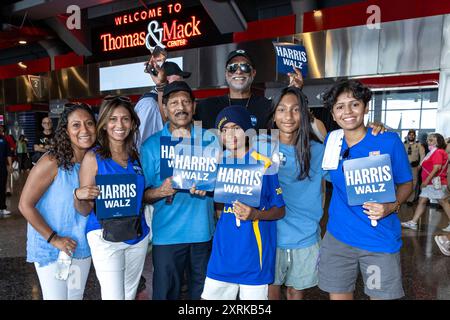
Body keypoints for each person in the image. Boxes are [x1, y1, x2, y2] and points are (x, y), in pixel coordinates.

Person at [318, 79, 413, 300]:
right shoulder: (332, 141)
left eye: (354, 104)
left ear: (365, 107)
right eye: (340, 107)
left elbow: (407, 183)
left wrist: (391, 206)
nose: (347, 112)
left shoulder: (387, 141)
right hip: (339, 239)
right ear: (333, 114)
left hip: (377, 241)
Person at [201, 106, 286, 300]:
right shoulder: (219, 164)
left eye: (236, 127)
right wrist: (200, 187)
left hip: (253, 258)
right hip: (223, 255)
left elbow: (280, 210)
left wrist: (256, 215)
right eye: (224, 130)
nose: (230, 134)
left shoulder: (264, 165)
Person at [140, 81, 215, 300]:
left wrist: (210, 189)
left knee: (201, 296)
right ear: (164, 109)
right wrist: (160, 191)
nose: (180, 107)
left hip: (203, 233)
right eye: (173, 103)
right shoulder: (152, 146)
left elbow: (224, 182)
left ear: (194, 106)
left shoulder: (210, 140)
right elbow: (141, 195)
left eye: (185, 101)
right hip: (167, 236)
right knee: (165, 294)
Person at [75, 96, 150, 300]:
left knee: (129, 294)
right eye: (113, 119)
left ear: (133, 123)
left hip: (137, 235)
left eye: (125, 119)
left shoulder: (136, 156)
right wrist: (79, 195)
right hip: (105, 236)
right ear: (104, 124)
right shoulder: (93, 157)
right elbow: (83, 209)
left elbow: (141, 197)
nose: (119, 125)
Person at [18, 103, 96, 299]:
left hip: (80, 248)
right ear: (66, 131)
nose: (84, 130)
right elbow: (25, 205)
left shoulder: (93, 162)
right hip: (53, 249)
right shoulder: (52, 161)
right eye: (76, 125)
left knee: (75, 296)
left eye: (89, 123)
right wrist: (55, 239)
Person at [266, 87, 326, 300]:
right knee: (270, 292)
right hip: (270, 235)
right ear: (273, 116)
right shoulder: (261, 149)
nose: (288, 116)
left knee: (295, 292)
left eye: (295, 110)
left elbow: (345, 147)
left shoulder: (317, 150)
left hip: (305, 237)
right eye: (281, 110)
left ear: (305, 115)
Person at [194, 49, 273, 130]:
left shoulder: (268, 107)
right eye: (232, 67)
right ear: (226, 74)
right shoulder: (206, 107)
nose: (238, 71)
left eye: (245, 67)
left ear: (253, 73)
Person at [135, 59, 191, 149]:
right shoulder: (150, 105)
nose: (181, 85)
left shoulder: (170, 102)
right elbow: (142, 144)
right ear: (165, 79)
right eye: (177, 80)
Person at [401, 133, 450, 232]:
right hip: (431, 183)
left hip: (435, 182)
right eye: (428, 140)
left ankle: (413, 222)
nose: (428, 141)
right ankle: (413, 222)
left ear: (438, 142)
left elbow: (437, 168)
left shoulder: (438, 152)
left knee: (443, 202)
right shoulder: (432, 152)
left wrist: (426, 180)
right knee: (422, 201)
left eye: (431, 140)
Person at [404, 129, 425, 206]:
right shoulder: (404, 144)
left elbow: (422, 155)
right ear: (407, 135)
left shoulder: (418, 144)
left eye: (413, 135)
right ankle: (404, 198)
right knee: (405, 182)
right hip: (405, 166)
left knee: (414, 183)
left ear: (415, 136)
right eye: (410, 134)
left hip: (414, 166)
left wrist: (420, 165)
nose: (411, 136)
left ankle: (410, 199)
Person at [0, 126, 13, 216]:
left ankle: (2, 208)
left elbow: (8, 153)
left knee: (2, 188)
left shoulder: (4, 140)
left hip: (2, 168)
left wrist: (11, 165)